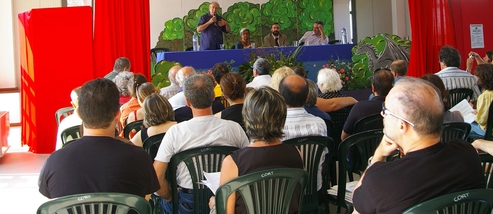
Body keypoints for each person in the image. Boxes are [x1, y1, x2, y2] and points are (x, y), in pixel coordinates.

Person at [351, 78, 485, 214]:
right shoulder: (467, 153)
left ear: (402, 125)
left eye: (385, 110)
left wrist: (378, 155)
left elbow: (358, 207)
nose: (382, 114)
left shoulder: (379, 179)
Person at [39, 78, 159, 198]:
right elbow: (145, 201)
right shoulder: (139, 158)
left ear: (79, 113)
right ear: (118, 115)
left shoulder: (55, 161)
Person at [153, 74, 249, 214]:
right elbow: (248, 164)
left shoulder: (175, 132)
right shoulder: (234, 128)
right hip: (226, 200)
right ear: (212, 97)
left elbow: (156, 177)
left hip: (187, 204)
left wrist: (170, 197)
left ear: (187, 102)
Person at [208, 86, 303, 214]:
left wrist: (215, 206)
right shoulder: (296, 154)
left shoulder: (233, 162)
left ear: (247, 117)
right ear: (282, 117)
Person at [280, 74, 327, 191]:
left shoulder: (275, 127)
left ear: (280, 96)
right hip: (315, 189)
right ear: (307, 98)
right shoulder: (319, 124)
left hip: (284, 196)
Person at [341, 68, 393, 140]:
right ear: (393, 88)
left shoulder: (359, 108)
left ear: (373, 88)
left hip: (360, 151)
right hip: (391, 150)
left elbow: (344, 137)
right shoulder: (399, 109)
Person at [470, 63, 493, 137]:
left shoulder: (484, 96)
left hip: (490, 131)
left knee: (466, 124)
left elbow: (481, 121)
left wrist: (476, 115)